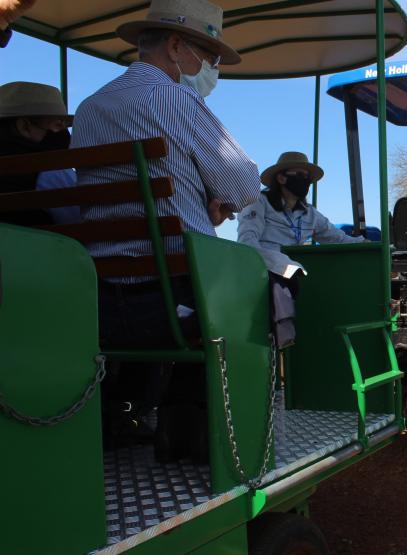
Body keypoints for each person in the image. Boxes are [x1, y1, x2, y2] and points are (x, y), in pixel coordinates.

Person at [70, 0, 260, 461]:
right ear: (176, 46)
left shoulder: (90, 106)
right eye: (209, 57)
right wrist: (218, 202)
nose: (211, 69)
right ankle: (193, 434)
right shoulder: (174, 98)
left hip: (100, 301)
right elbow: (245, 183)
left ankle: (127, 416)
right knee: (264, 300)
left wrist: (198, 199)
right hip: (172, 301)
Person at [238, 151, 366, 347]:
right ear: (281, 178)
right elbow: (247, 243)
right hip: (262, 272)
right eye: (299, 175)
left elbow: (336, 238)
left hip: (294, 275)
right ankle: (282, 335)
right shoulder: (258, 203)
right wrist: (275, 264)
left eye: (307, 177)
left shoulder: (310, 214)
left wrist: (365, 244)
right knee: (280, 280)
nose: (304, 181)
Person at [0, 81, 79, 225]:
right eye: (57, 125)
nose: (63, 133)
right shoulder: (48, 171)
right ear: (25, 126)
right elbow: (82, 217)